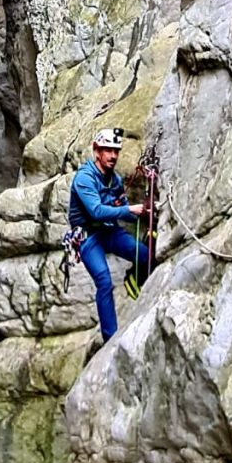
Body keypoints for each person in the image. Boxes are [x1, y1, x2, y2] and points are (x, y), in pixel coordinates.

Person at [68, 126, 151, 343]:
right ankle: (110, 339)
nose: (113, 156)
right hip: (87, 237)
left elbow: (124, 210)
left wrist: (147, 213)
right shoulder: (84, 179)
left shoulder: (114, 180)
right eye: (108, 150)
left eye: (116, 151)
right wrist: (131, 209)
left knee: (145, 255)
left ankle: (134, 279)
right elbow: (96, 210)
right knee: (104, 281)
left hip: (109, 230)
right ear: (97, 151)